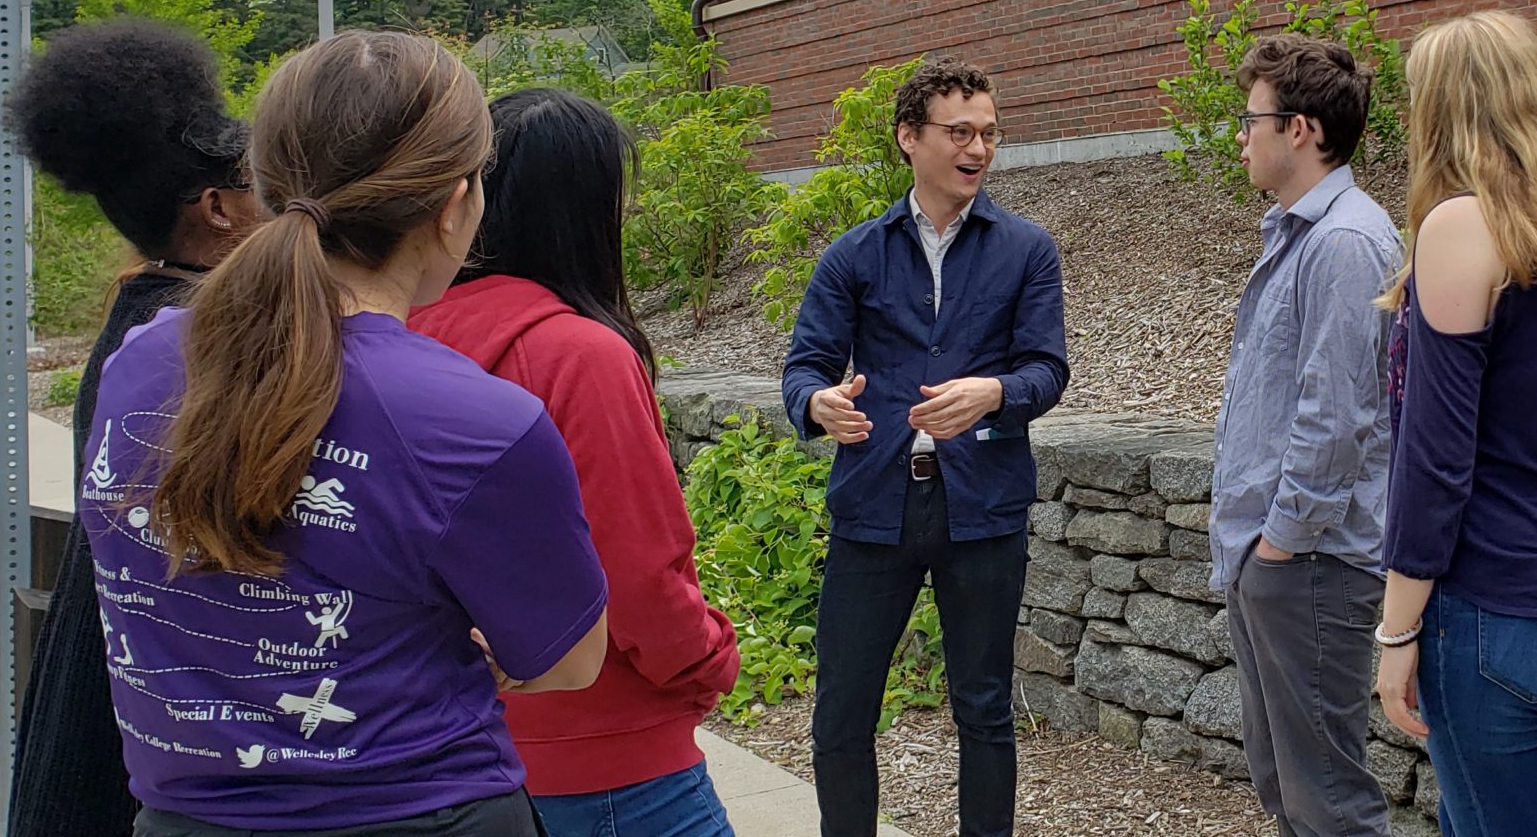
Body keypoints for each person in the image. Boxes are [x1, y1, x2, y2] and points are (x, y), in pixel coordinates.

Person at [82, 30, 610, 837]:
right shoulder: (478, 423)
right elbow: (570, 659)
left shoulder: (138, 364)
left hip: (176, 816)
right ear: (456, 202)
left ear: (266, 182)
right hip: (421, 812)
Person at [411, 88, 741, 837]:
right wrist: (709, 659)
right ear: (587, 209)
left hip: (450, 749)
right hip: (607, 757)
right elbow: (634, 570)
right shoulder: (579, 355)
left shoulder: (402, 336)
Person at [1370, 10, 1537, 837]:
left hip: (1498, 616)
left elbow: (1435, 456)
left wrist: (1396, 628)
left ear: (1443, 109)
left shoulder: (1461, 226)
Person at [781, 55, 1068, 837]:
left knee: (983, 709)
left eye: (990, 133)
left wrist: (997, 393)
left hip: (984, 510)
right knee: (842, 712)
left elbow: (1048, 369)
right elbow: (805, 364)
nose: (978, 148)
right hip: (874, 507)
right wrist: (818, 403)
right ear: (910, 137)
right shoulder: (854, 253)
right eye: (960, 132)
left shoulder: (1027, 250)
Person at [3, 18, 270, 837]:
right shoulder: (191, 339)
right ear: (219, 209)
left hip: (113, 662)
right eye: (264, 185)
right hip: (137, 718)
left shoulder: (143, 314)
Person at [1210, 34, 1403, 837]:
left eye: (1251, 119)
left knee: (1328, 801)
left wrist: (1282, 543)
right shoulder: (1297, 232)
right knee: (1287, 790)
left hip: (1312, 565)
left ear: (1302, 130)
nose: (1240, 135)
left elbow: (1339, 415)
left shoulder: (1345, 243)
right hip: (1278, 560)